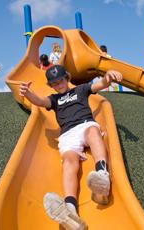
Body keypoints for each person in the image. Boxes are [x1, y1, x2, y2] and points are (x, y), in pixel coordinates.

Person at [19, 65, 122, 229]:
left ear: (67, 78)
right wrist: (28, 93)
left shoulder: (81, 90)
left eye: (61, 80)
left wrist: (108, 77)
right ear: (51, 85)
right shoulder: (54, 99)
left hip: (85, 125)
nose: (58, 84)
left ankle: (102, 175)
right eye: (54, 83)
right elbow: (39, 101)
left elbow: (100, 84)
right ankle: (71, 211)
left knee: (94, 133)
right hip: (67, 134)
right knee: (68, 162)